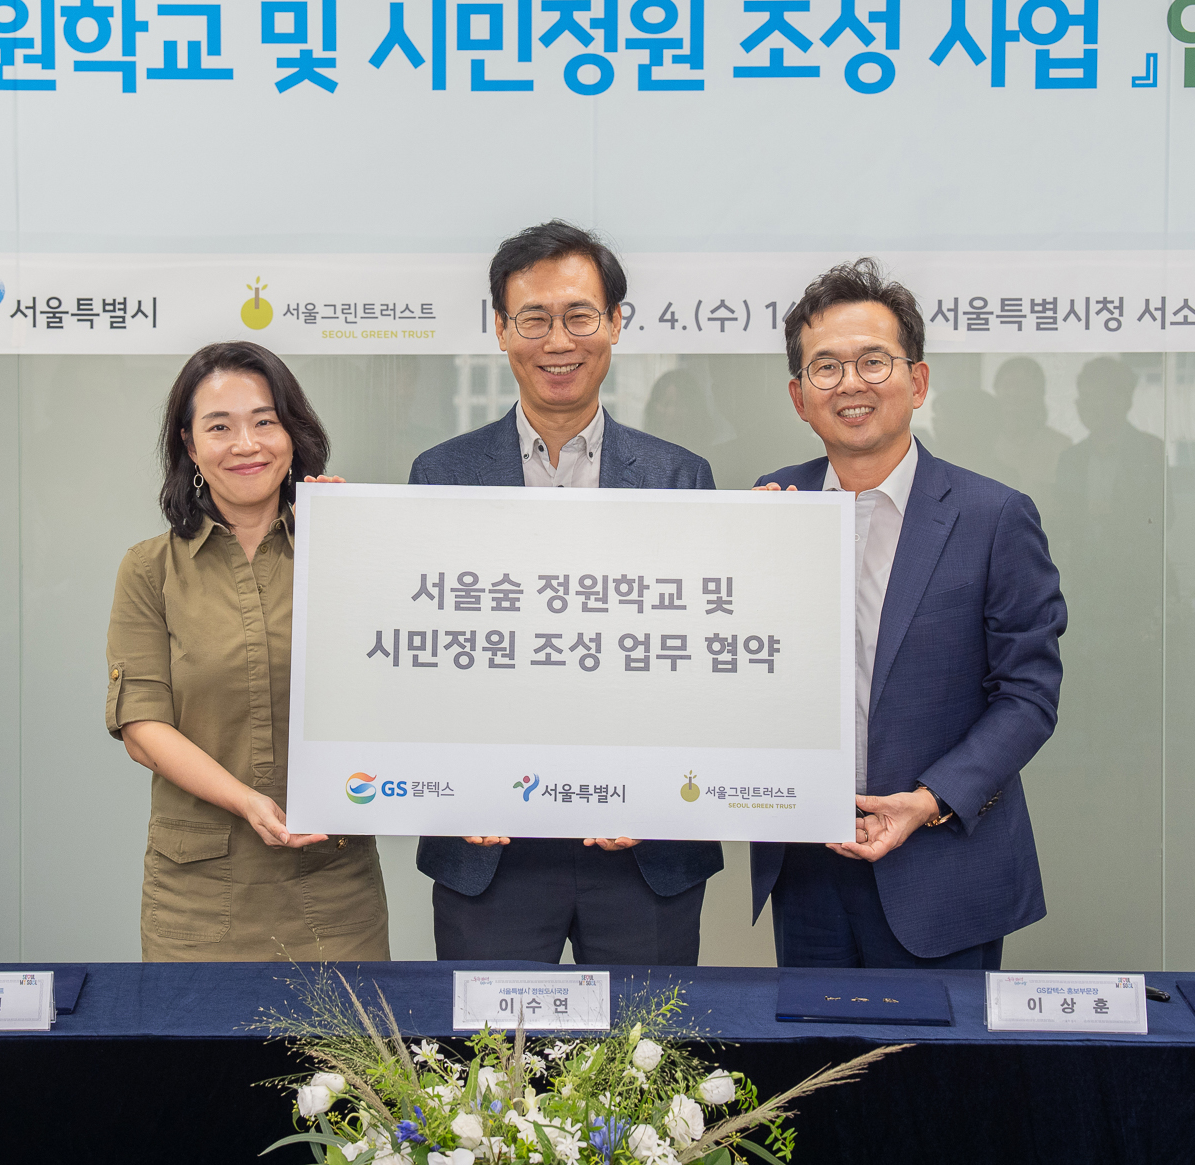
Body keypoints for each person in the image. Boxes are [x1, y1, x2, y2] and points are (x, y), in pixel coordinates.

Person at [408, 219, 724, 964]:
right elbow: (420, 660)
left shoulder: (682, 478)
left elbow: (705, 667)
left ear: (615, 323)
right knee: (488, 1044)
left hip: (643, 850)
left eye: (580, 316)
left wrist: (653, 791)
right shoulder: (439, 476)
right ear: (500, 329)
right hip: (491, 849)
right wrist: (453, 788)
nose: (559, 341)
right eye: (534, 319)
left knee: (647, 1041)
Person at [750, 259, 1065, 969]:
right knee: (812, 1045)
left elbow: (1028, 695)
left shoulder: (994, 516)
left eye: (873, 361)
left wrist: (928, 800)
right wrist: (747, 556)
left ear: (917, 382)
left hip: (942, 864)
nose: (850, 383)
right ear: (799, 397)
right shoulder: (772, 506)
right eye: (826, 367)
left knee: (939, 1049)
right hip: (807, 867)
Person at [104, 341, 390, 961]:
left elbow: (404, 687)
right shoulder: (149, 569)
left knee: (344, 1033)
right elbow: (143, 730)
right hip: (196, 895)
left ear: (293, 434)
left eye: (265, 421)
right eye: (220, 427)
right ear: (189, 445)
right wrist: (247, 802)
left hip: (333, 889)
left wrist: (357, 540)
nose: (246, 444)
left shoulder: (347, 549)